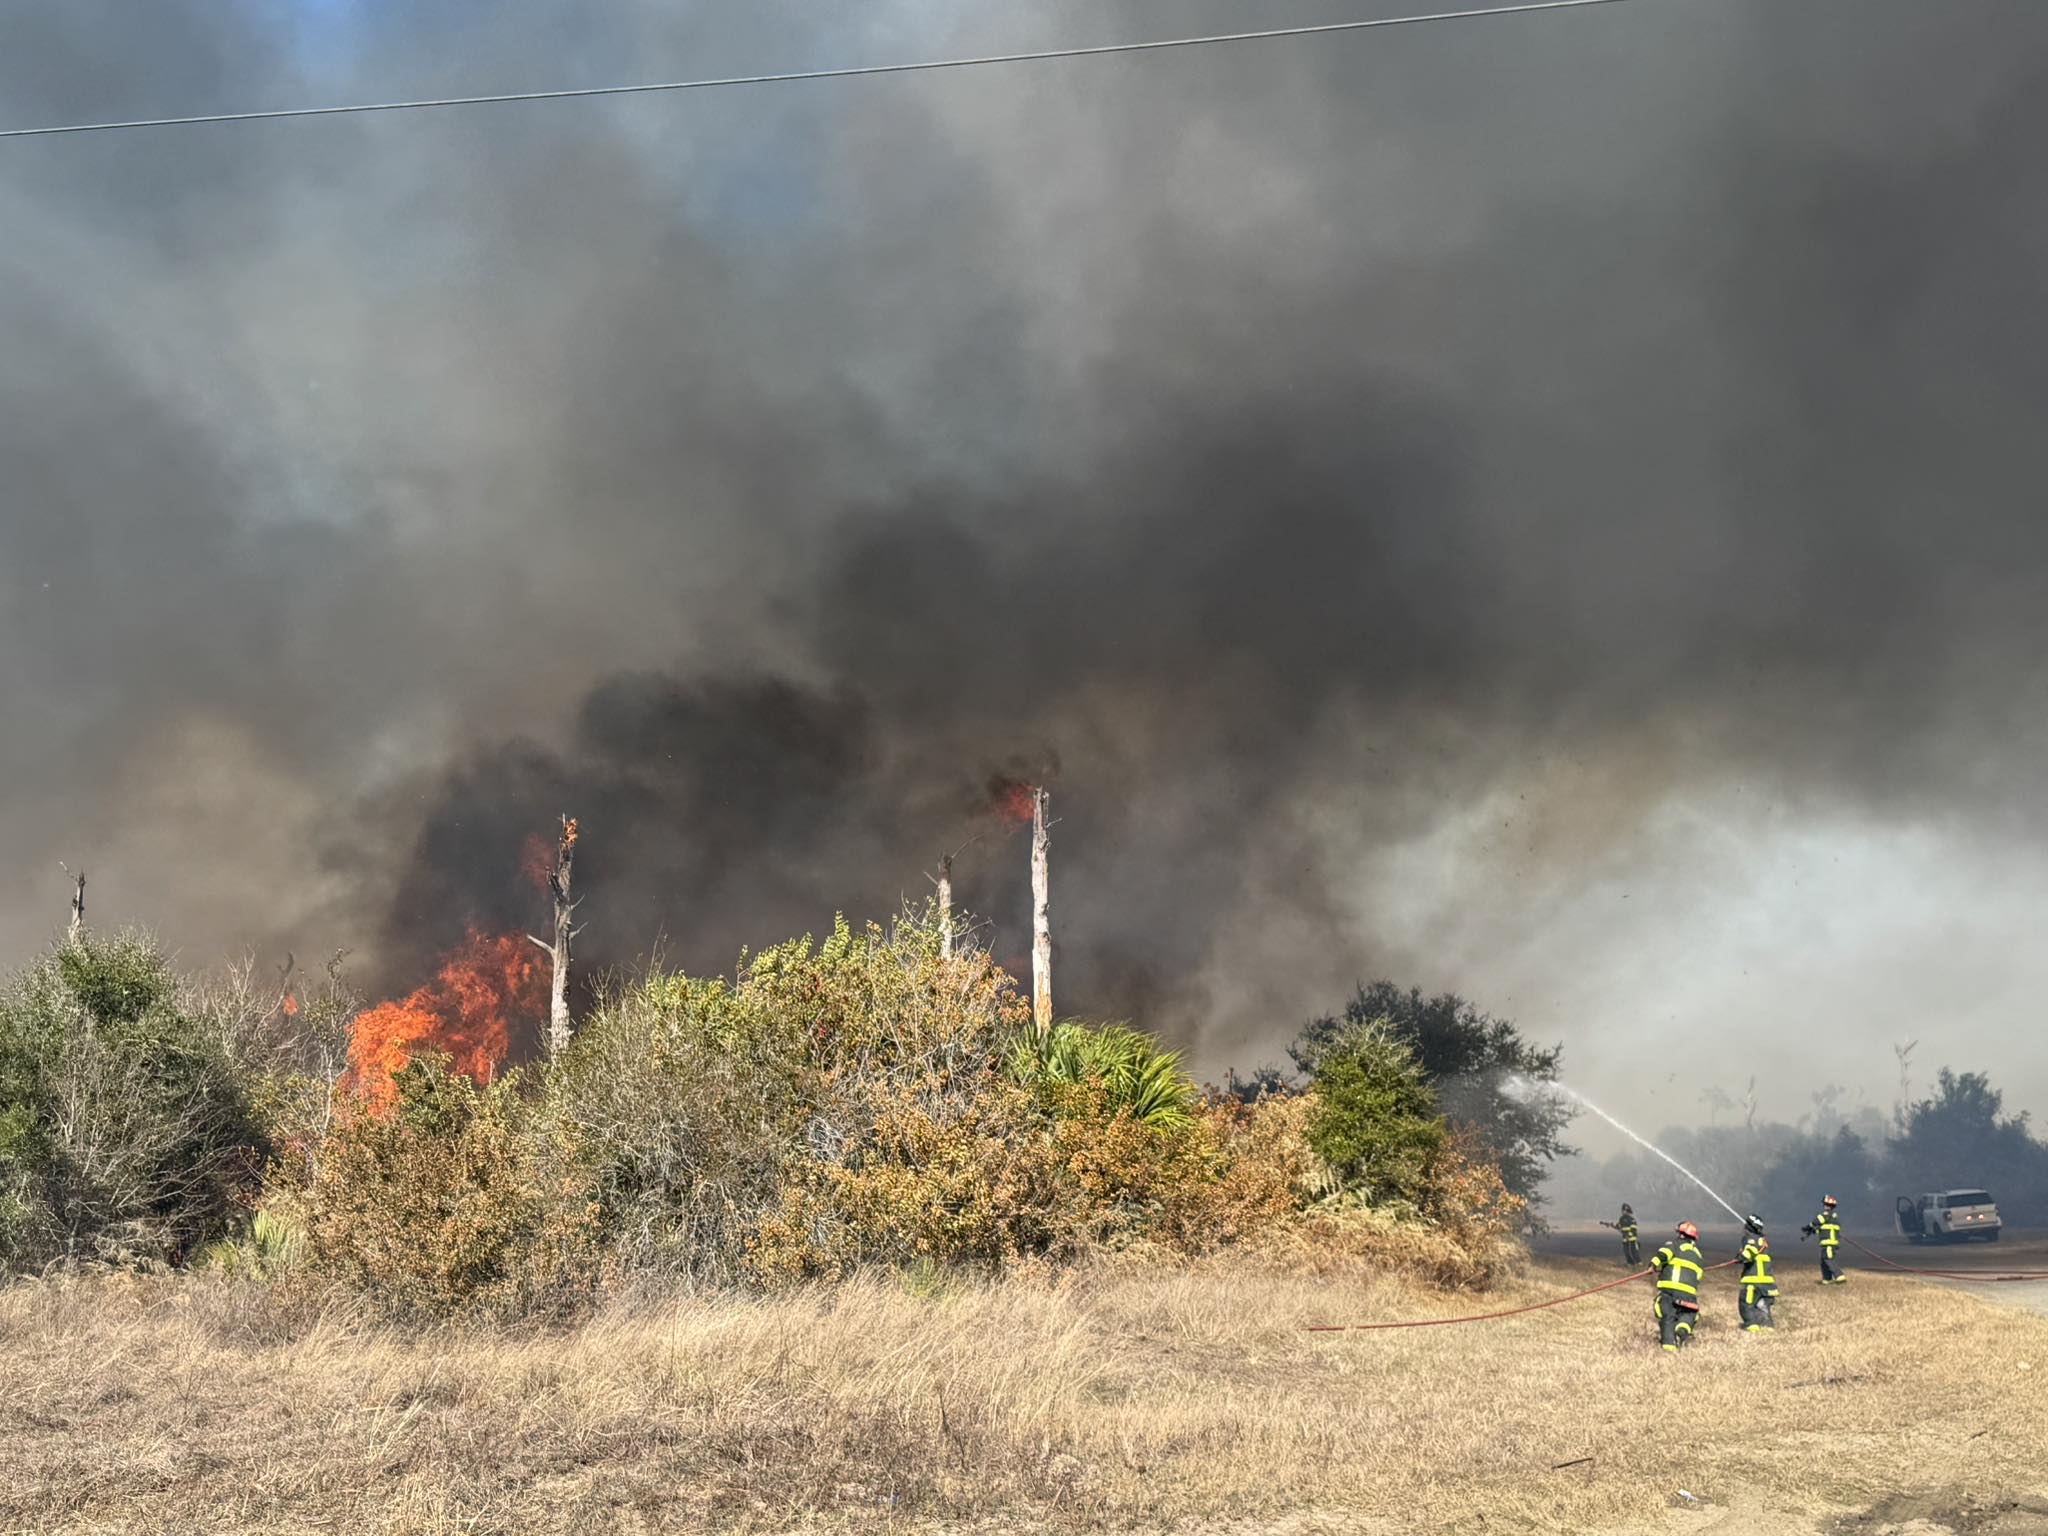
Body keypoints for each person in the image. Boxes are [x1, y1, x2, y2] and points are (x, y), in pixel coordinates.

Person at [1652, 1221, 1705, 1352]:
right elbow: (1699, 1275)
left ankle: (1669, 1345)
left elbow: (1662, 1255)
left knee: (1667, 1315)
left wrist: (1652, 1265)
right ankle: (1683, 1328)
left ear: (1681, 1235)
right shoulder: (1698, 1255)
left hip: (1670, 1291)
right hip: (1689, 1294)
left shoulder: (1673, 1245)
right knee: (1689, 1313)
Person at [1738, 1217, 1777, 1332]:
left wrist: (1741, 1257)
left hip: (1753, 1282)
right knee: (1763, 1306)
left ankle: (1752, 1325)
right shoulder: (1762, 1241)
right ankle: (1767, 1325)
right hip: (1768, 1284)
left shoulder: (1749, 1239)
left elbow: (1749, 1252)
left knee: (1746, 1304)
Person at [1802, 1195, 1846, 1284]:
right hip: (1832, 1243)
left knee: (1828, 1259)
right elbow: (1825, 1229)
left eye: (1826, 1204)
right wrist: (1817, 1230)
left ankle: (1839, 1276)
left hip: (1828, 1243)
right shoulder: (1834, 1218)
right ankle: (1827, 1279)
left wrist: (1807, 1228)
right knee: (1823, 1261)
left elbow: (1815, 1222)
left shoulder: (1824, 1216)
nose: (1825, 1206)